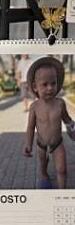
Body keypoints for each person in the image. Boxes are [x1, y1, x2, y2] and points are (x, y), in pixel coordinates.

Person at [22, 54, 75, 189]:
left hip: (58, 143)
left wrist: (72, 128)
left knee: (62, 169)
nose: (50, 88)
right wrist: (28, 144)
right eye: (45, 84)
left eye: (53, 83)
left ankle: (61, 193)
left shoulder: (60, 104)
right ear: (35, 87)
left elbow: (67, 120)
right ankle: (44, 175)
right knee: (43, 164)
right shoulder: (35, 106)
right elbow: (30, 127)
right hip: (41, 144)